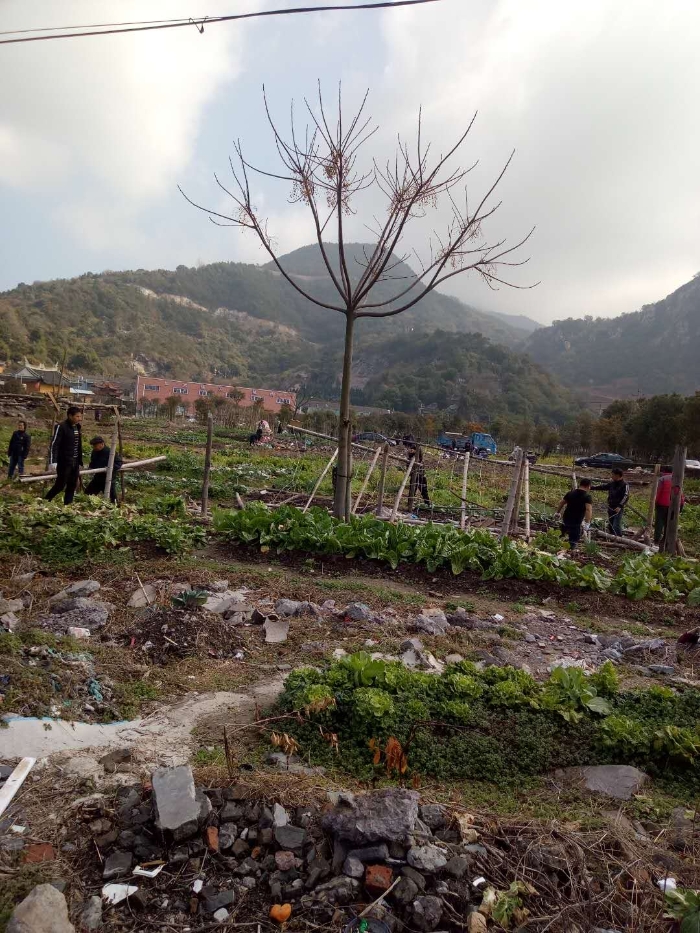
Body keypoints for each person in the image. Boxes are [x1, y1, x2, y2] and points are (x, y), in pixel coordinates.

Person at [46, 407, 83, 505]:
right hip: (64, 462)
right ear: (70, 416)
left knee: (72, 484)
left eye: (80, 416)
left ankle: (68, 505)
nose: (79, 418)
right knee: (60, 485)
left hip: (74, 462)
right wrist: (53, 461)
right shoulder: (61, 427)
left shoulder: (77, 427)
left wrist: (80, 460)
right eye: (77, 416)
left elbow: (78, 445)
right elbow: (54, 444)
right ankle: (46, 500)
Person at [555, 478, 593, 550]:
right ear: (588, 486)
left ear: (580, 484)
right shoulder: (587, 497)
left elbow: (562, 503)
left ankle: (557, 546)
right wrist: (587, 522)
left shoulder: (570, 493)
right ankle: (570, 551)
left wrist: (557, 512)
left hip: (566, 517)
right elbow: (588, 510)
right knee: (573, 539)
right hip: (577, 520)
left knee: (562, 534)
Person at [591, 467, 630, 536]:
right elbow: (603, 487)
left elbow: (626, 496)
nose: (611, 476)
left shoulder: (625, 485)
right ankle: (612, 539)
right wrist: (591, 487)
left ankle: (619, 539)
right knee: (611, 525)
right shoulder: (612, 483)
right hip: (610, 506)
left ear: (617, 475)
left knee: (616, 525)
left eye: (612, 475)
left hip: (618, 508)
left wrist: (620, 506)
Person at [84, 436, 122, 502]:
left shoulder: (110, 452)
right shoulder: (94, 452)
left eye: (96, 446)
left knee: (112, 499)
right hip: (98, 478)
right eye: (93, 446)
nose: (94, 447)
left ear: (102, 444)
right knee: (88, 494)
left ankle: (115, 507)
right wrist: (90, 468)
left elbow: (118, 463)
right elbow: (93, 462)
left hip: (108, 478)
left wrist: (109, 468)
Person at [654, 468, 685, 546]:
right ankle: (666, 539)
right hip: (674, 505)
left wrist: (656, 502)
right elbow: (680, 494)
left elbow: (658, 492)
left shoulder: (662, 479)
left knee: (659, 522)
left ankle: (657, 539)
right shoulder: (678, 479)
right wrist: (681, 505)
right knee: (669, 522)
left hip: (662, 504)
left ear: (664, 472)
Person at [403, 434, 431, 508]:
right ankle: (411, 504)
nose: (407, 447)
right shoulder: (412, 448)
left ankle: (427, 503)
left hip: (418, 471)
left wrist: (412, 452)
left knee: (420, 487)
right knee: (414, 488)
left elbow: (418, 458)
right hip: (415, 471)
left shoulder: (416, 447)